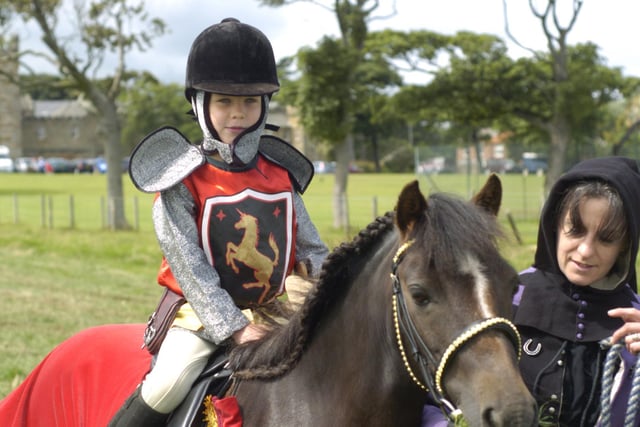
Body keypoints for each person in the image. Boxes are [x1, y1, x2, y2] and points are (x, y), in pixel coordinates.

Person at [109, 18, 329, 426]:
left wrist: (331, 293)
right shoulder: (180, 178)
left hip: (273, 309)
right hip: (200, 314)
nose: (238, 114)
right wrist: (233, 329)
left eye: (249, 102)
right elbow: (188, 267)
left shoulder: (280, 172)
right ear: (200, 104)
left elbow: (312, 250)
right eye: (224, 102)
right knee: (170, 382)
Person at [422, 156, 640, 426]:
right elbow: (432, 395)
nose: (585, 251)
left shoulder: (635, 320)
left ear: (625, 247)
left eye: (606, 239)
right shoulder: (500, 299)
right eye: (575, 230)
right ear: (555, 226)